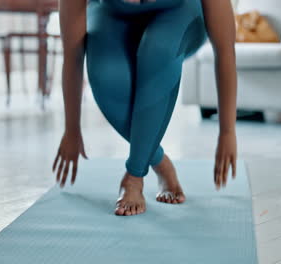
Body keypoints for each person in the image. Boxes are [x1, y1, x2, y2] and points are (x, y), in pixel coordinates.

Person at [53, 0, 238, 216]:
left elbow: (225, 51)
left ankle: (134, 177)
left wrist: (227, 130)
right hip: (113, 13)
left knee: (158, 48)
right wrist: (72, 128)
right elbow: (72, 56)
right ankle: (159, 160)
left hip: (180, 10)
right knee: (106, 75)